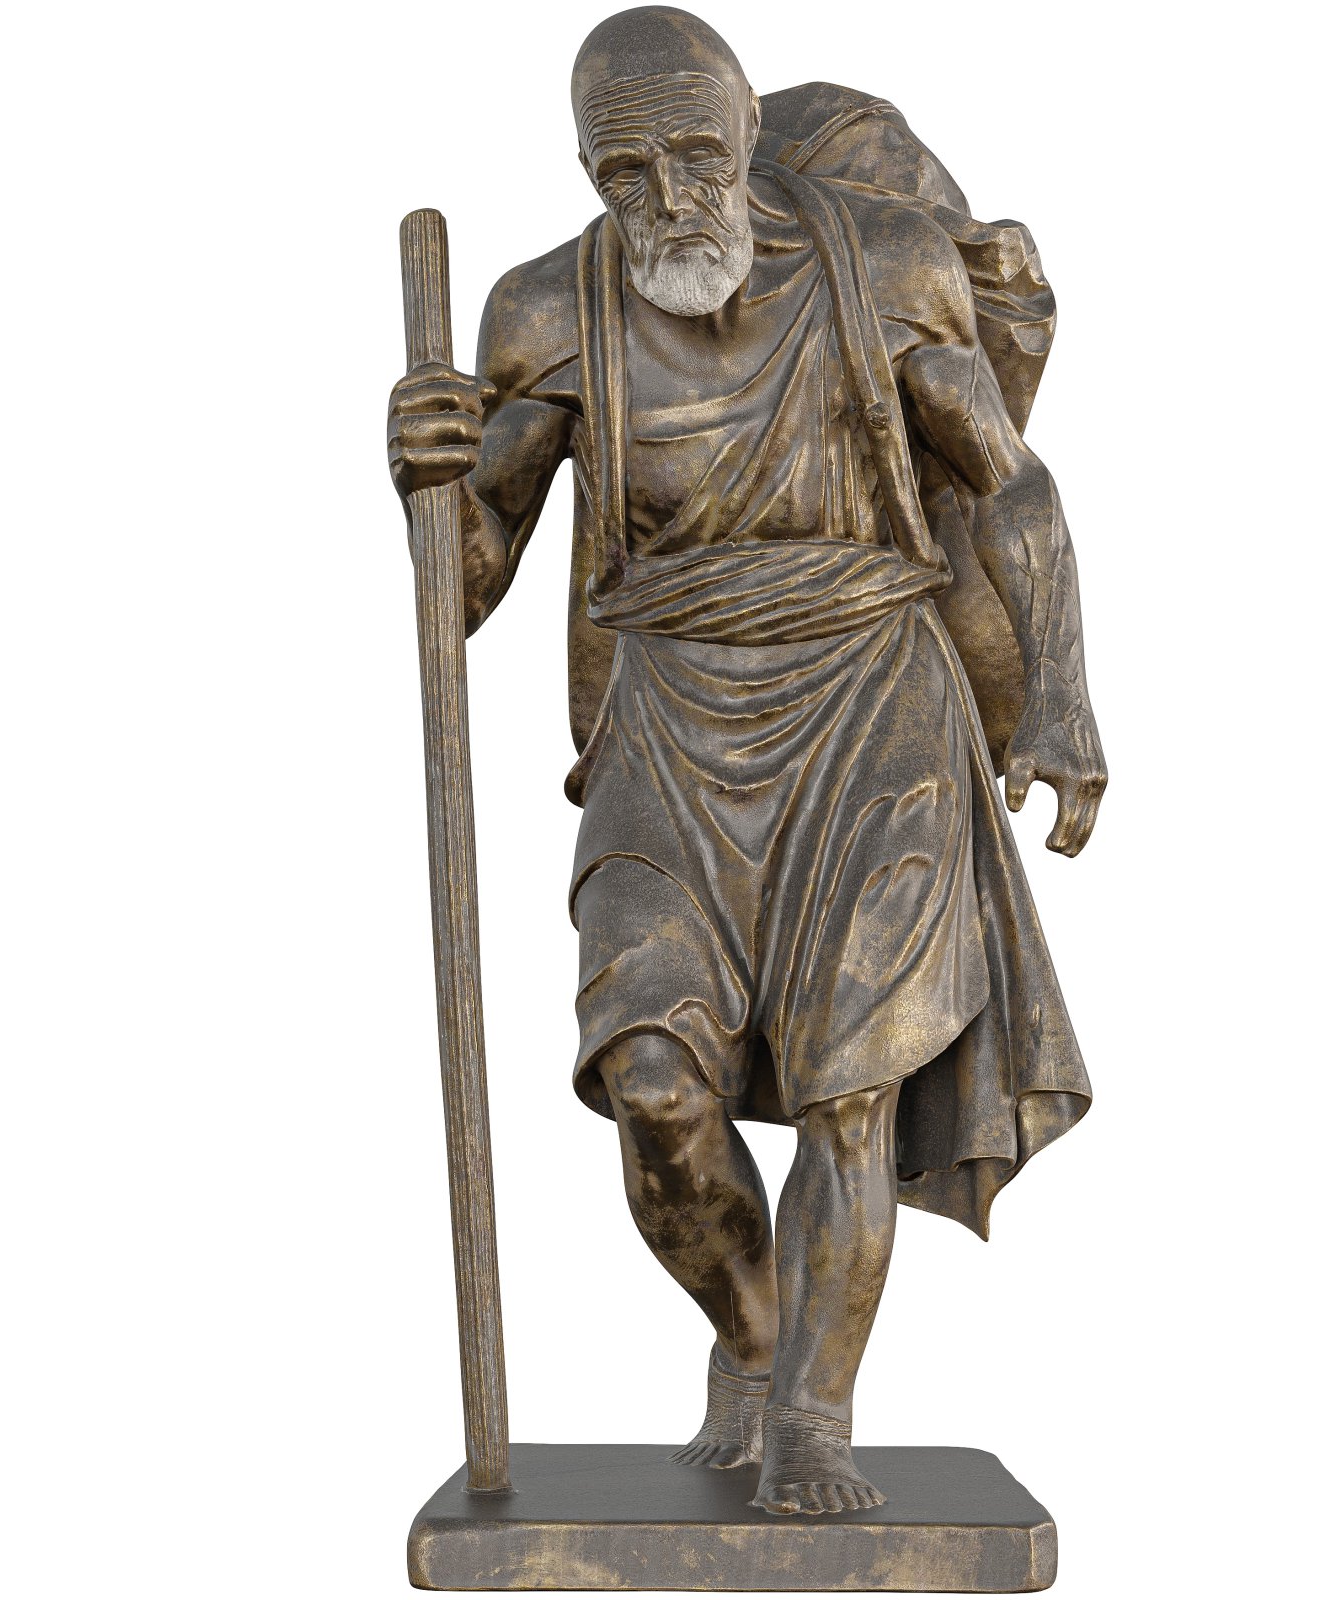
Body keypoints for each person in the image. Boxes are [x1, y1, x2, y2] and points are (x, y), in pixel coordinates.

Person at [388, 4, 1106, 1517]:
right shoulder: (548, 310)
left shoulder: (881, 263)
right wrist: (433, 486)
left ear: (746, 129)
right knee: (651, 1080)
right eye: (624, 172)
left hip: (874, 700)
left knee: (853, 1093)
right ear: (585, 172)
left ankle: (815, 1424)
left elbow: (1011, 484)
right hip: (667, 716)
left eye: (697, 156)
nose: (667, 198)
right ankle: (761, 1334)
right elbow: (463, 588)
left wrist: (1059, 696)